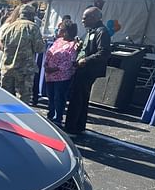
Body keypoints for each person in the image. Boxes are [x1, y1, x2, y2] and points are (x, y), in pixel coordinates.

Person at [64, 7, 112, 135]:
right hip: (82, 69)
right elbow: (89, 48)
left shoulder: (101, 31)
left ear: (94, 18)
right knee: (82, 98)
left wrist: (85, 60)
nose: (82, 20)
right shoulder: (91, 31)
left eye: (85, 18)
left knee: (76, 98)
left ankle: (70, 128)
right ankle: (79, 126)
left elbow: (104, 52)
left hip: (88, 70)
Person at [0, 4, 44, 103]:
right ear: (32, 15)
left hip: (7, 69)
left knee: (5, 100)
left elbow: (1, 46)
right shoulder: (33, 27)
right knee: (22, 101)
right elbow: (39, 48)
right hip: (24, 70)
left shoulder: (9, 26)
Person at [43, 19, 78, 126]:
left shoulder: (73, 45)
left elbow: (70, 61)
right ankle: (50, 114)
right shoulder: (58, 41)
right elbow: (49, 53)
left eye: (61, 29)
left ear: (66, 31)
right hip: (49, 75)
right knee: (51, 96)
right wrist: (46, 65)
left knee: (59, 97)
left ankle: (58, 117)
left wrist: (54, 69)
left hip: (62, 77)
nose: (59, 30)